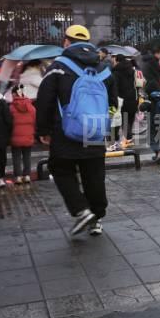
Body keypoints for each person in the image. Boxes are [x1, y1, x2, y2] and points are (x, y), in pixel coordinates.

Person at [36, 24, 117, 237]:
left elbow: (44, 100)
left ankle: (81, 210)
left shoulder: (57, 67)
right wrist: (103, 124)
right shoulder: (104, 69)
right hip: (95, 132)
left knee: (60, 169)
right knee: (94, 174)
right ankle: (97, 218)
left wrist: (43, 130)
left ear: (66, 42)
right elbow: (113, 103)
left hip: (65, 131)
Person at [10, 85, 37, 184]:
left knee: (16, 156)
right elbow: (34, 121)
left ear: (14, 94)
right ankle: (27, 176)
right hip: (28, 135)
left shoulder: (11, 107)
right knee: (27, 156)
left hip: (15, 135)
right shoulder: (31, 107)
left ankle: (18, 176)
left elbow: (9, 122)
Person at [112, 54, 137, 148]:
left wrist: (114, 99)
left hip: (122, 99)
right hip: (133, 98)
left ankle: (126, 139)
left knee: (121, 120)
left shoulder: (116, 73)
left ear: (117, 61)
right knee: (129, 119)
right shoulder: (133, 70)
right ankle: (128, 139)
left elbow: (115, 87)